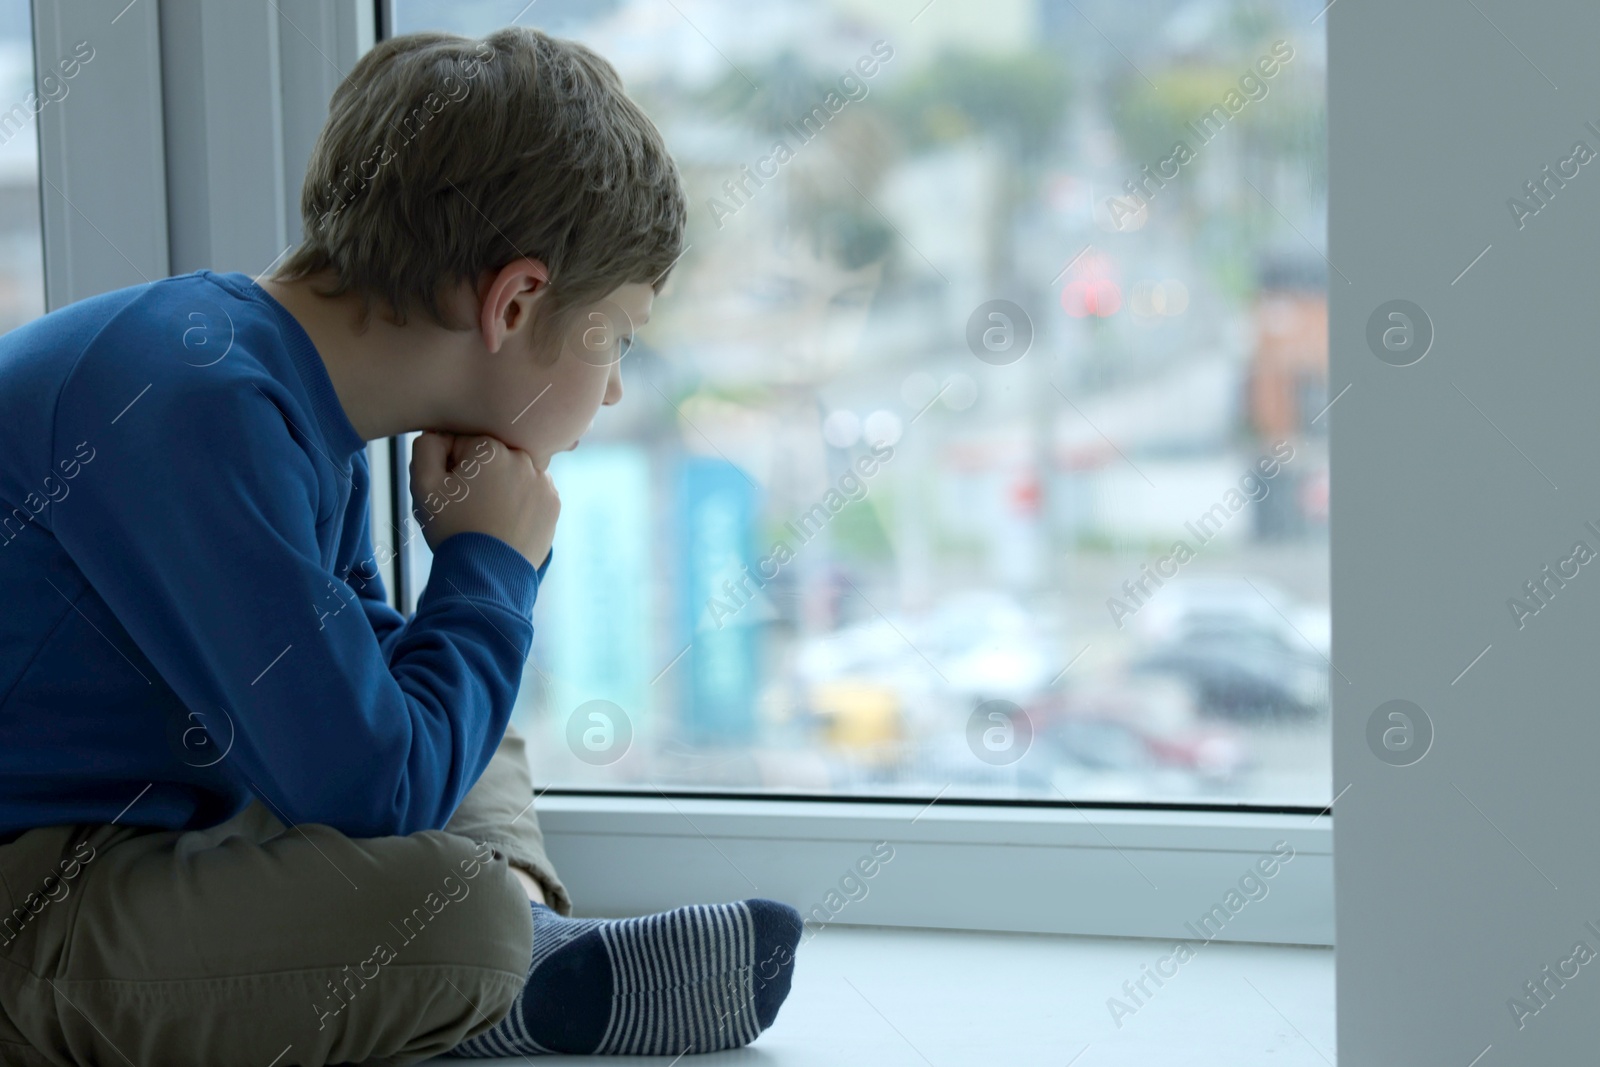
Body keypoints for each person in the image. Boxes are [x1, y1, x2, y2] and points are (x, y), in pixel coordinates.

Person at [0, 26, 800, 1065]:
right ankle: (498, 966)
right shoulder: (193, 405)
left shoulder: (269, 388)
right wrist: (491, 562)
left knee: (452, 690)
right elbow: (371, 791)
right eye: (619, 338)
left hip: (145, 823)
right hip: (29, 892)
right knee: (454, 896)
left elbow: (376, 728)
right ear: (514, 302)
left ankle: (519, 951)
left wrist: (477, 589)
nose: (609, 389)